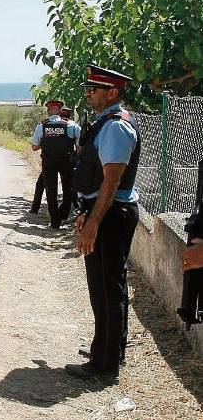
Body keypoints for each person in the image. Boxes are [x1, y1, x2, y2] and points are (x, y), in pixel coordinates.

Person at [65, 65, 139, 383]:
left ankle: (105, 365)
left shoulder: (115, 128)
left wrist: (95, 221)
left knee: (106, 288)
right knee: (107, 286)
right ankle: (106, 348)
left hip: (112, 214)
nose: (89, 93)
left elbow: (111, 179)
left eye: (95, 88)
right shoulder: (107, 123)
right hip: (107, 210)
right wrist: (88, 210)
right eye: (88, 88)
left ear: (113, 92)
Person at [30, 100, 81, 229]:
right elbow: (80, 147)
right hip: (66, 162)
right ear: (60, 111)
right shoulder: (71, 125)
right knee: (67, 190)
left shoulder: (41, 126)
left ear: (48, 111)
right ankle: (63, 214)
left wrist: (45, 142)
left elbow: (34, 147)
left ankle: (55, 221)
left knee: (50, 191)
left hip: (49, 163)